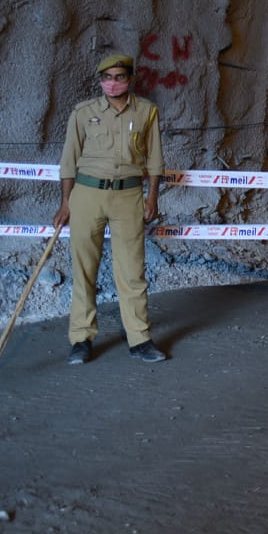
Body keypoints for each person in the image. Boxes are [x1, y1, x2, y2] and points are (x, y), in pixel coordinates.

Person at [53, 52, 166, 365]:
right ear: (100, 80)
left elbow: (155, 159)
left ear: (129, 79)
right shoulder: (83, 112)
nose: (112, 84)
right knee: (84, 270)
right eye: (107, 78)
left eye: (119, 77)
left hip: (128, 196)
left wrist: (152, 196)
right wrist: (66, 202)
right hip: (87, 195)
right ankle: (81, 339)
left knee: (132, 272)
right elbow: (68, 160)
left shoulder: (147, 111)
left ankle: (140, 339)